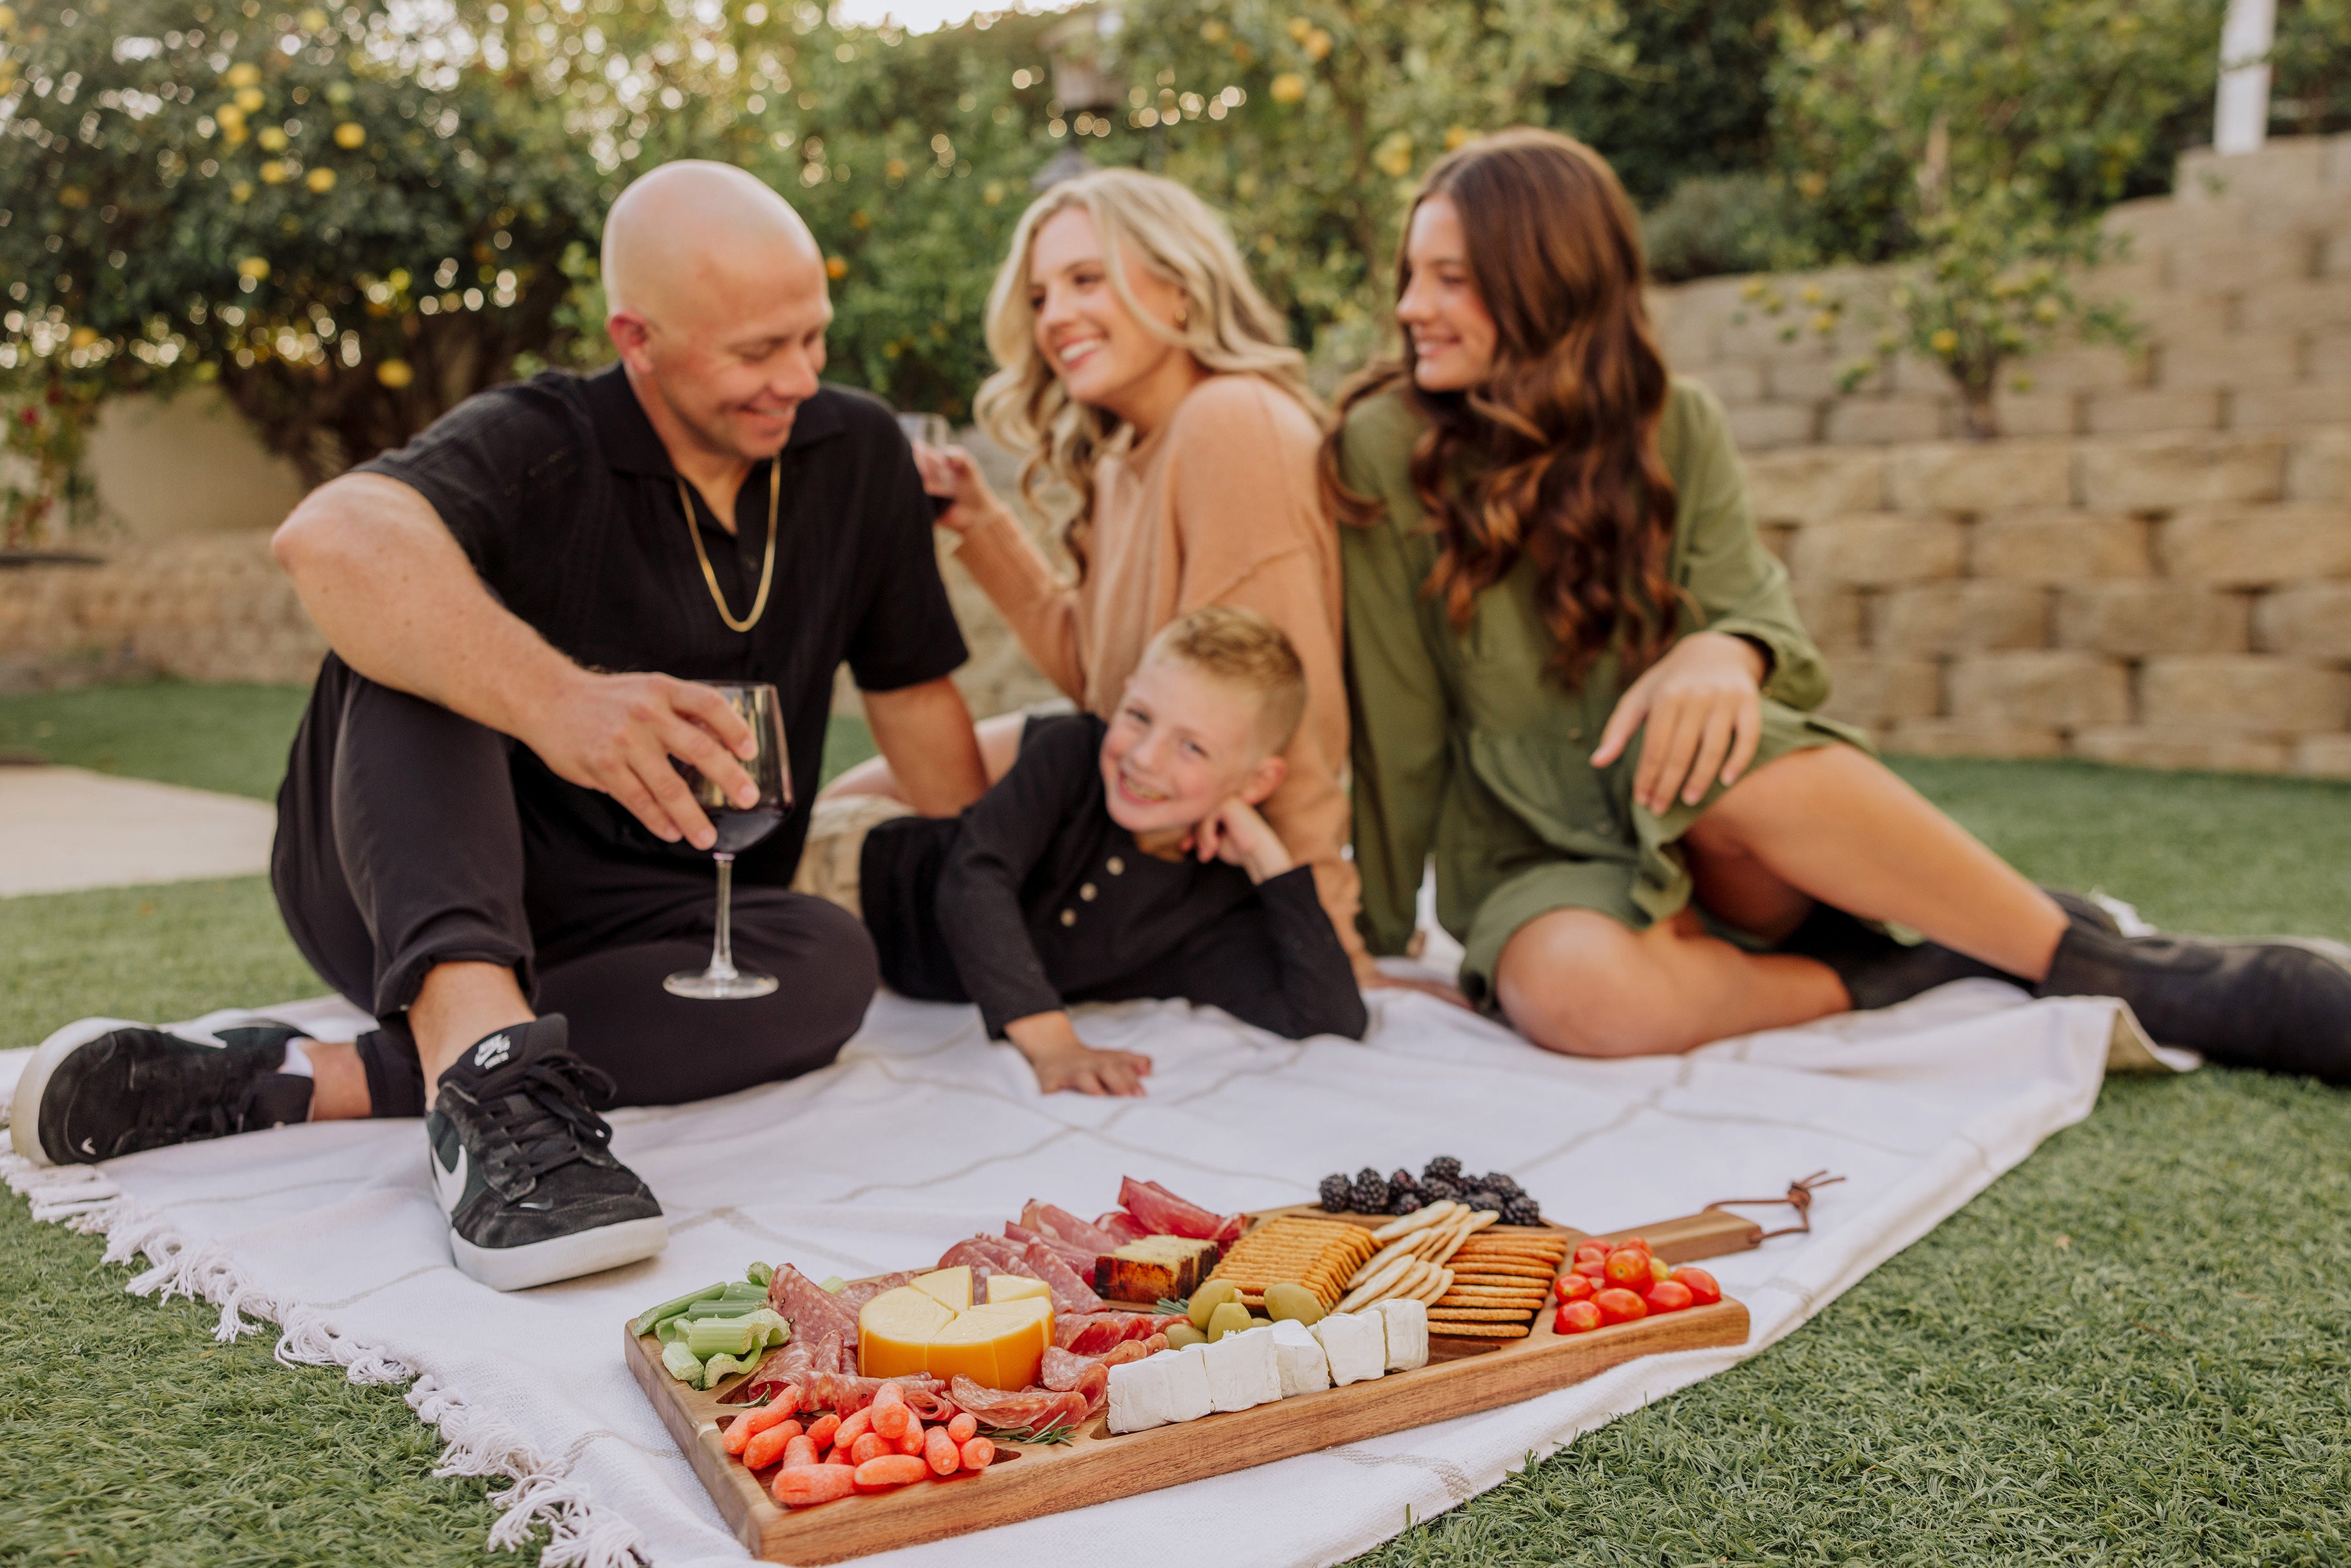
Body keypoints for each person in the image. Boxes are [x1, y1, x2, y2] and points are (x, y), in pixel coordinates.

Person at [8, 161, 992, 1290]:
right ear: (639, 337)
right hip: (417, 884)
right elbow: (330, 537)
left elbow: (923, 715)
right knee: (413, 626)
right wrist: (560, 700)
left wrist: (1007, 889)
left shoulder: (856, 454)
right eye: (758, 352)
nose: (801, 377)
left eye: (813, 336)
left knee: (827, 963)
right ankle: (482, 1062)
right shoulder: (543, 437)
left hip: (657, 911)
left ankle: (298, 1077)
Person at [1331, 127, 2351, 1081]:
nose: (1414, 305)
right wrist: (1369, 933)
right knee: (1580, 999)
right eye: (1412, 276)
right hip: (1536, 852)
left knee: (1719, 736)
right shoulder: (1385, 448)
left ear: (1547, 282)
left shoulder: (1675, 424)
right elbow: (1399, 722)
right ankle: (1923, 966)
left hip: (1720, 827)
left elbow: (1769, 623)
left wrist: (1725, 652)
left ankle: (2146, 976)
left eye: (1451, 279)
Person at [824, 167, 1386, 991]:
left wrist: (1326, 926)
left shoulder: (1233, 424)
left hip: (1166, 825)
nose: (1056, 318)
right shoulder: (1125, 457)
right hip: (1110, 755)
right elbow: (1097, 678)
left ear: (1183, 289)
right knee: (846, 805)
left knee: (863, 849)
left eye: (1087, 279)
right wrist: (981, 526)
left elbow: (1286, 716)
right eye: (1042, 296)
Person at [802, 605, 1367, 1097]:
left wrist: (1268, 858)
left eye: (1191, 746)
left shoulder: (1212, 906)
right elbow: (973, 879)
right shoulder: (1071, 756)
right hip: (849, 868)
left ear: (1255, 782)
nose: (1144, 757)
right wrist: (1053, 1042)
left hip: (865, 965)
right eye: (1139, 716)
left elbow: (1329, 1018)